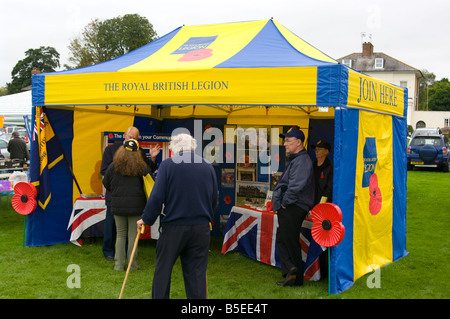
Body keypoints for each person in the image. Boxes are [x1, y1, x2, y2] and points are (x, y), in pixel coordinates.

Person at [137, 133, 218, 299]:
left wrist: (146, 218)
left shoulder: (168, 165)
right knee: (197, 275)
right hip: (200, 228)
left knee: (163, 271)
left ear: (174, 149)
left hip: (174, 227)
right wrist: (208, 217)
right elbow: (214, 198)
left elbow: (157, 196)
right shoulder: (207, 166)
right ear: (192, 147)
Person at [100, 127, 160, 261]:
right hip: (115, 197)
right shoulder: (111, 150)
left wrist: (153, 158)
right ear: (124, 135)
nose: (132, 140)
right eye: (130, 137)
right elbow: (104, 171)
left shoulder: (140, 152)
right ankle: (109, 252)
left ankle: (125, 257)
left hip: (132, 199)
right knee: (112, 227)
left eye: (134, 138)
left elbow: (147, 172)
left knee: (125, 233)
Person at [272, 127, 314, 287]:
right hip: (291, 206)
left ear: (298, 142)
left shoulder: (302, 161)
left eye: (288, 141)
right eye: (285, 140)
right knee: (284, 239)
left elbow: (295, 186)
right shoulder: (297, 159)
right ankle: (291, 272)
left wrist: (284, 203)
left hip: (292, 206)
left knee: (289, 241)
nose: (285, 144)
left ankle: (296, 277)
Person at [102, 139, 148, 271]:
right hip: (137, 205)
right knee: (133, 235)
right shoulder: (142, 167)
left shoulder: (113, 166)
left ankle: (118, 265)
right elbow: (149, 183)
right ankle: (132, 265)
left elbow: (106, 183)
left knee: (120, 234)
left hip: (117, 205)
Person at [311, 139, 333, 278]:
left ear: (326, 152)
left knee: (322, 238)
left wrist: (320, 206)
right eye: (316, 149)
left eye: (319, 149)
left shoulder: (330, 168)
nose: (316, 151)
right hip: (310, 205)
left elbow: (329, 190)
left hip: (323, 209)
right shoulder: (312, 165)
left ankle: (323, 269)